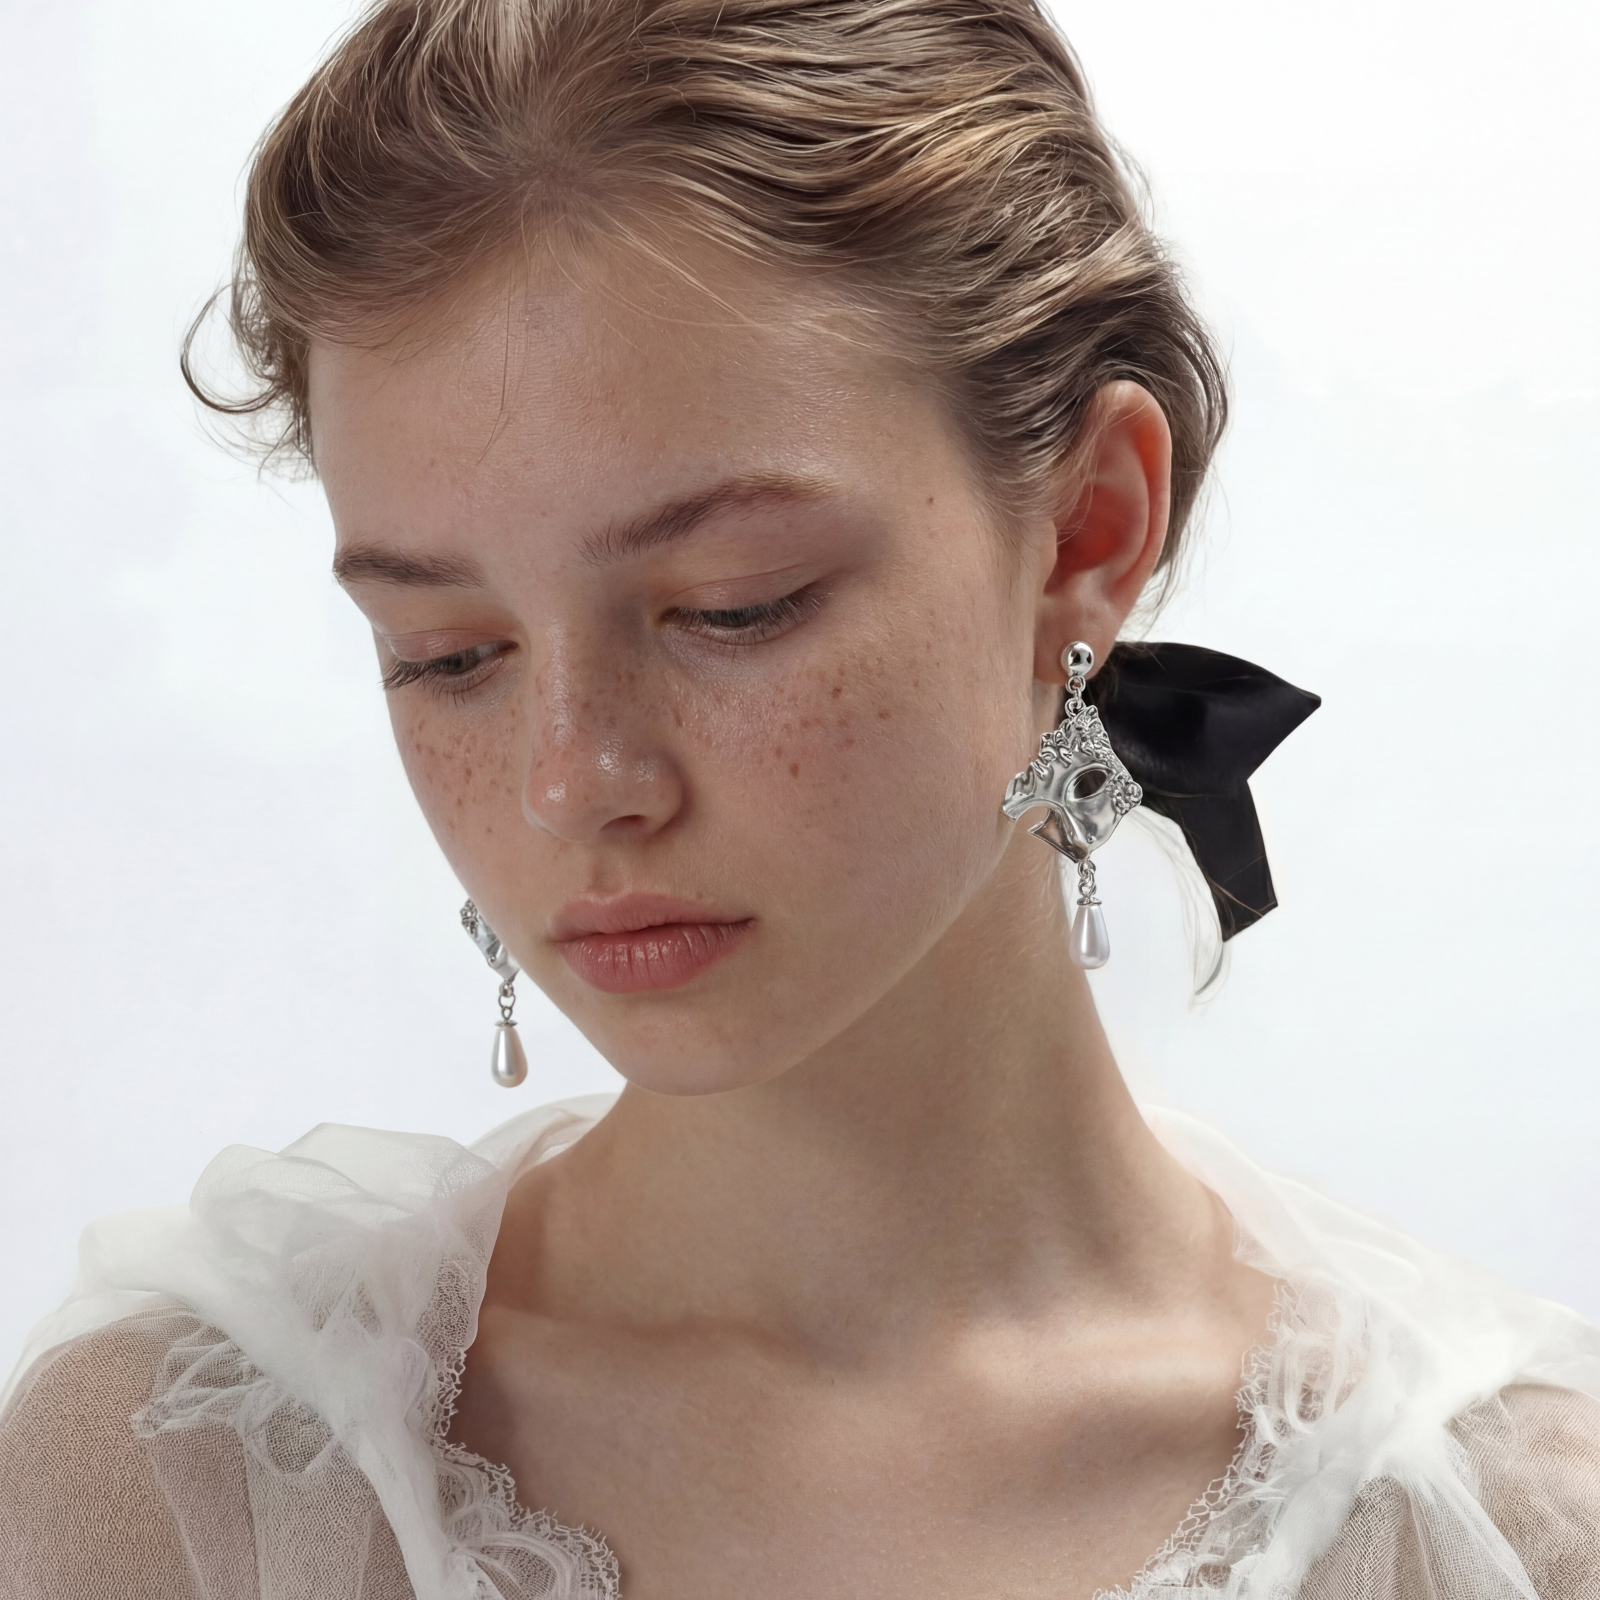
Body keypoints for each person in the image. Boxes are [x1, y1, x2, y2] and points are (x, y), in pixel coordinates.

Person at [2, 0, 1597, 1595]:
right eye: (449, 652)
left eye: (732, 606)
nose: (574, 782)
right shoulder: (173, 1481)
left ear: (1089, 529)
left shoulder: (1502, 1530)